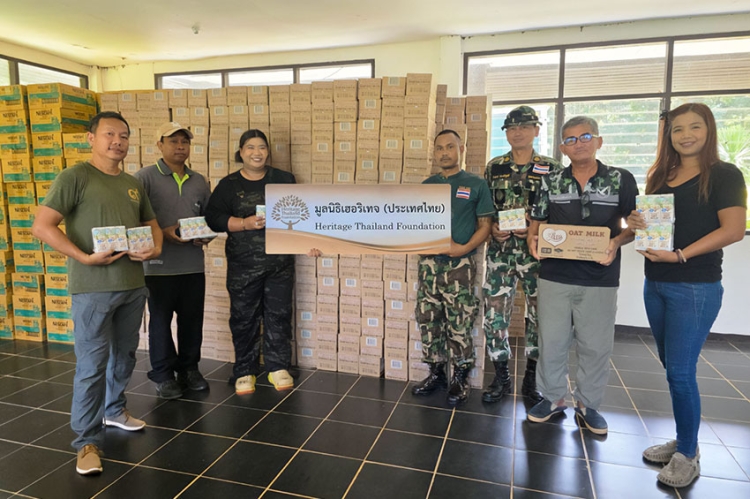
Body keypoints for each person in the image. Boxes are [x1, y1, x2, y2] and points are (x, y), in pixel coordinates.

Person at [32, 111, 163, 476]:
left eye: (123, 136)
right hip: (92, 289)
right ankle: (86, 442)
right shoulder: (75, 177)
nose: (117, 141)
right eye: (109, 134)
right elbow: (42, 226)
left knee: (124, 356)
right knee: (91, 365)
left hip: (132, 285)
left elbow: (151, 224)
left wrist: (153, 248)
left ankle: (114, 410)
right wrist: (84, 257)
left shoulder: (132, 183)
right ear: (91, 138)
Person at [627, 103, 746, 488]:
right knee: (672, 368)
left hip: (695, 286)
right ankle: (684, 439)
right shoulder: (661, 175)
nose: (686, 135)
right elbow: (653, 223)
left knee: (680, 372)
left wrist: (680, 255)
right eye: (677, 129)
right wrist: (636, 222)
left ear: (709, 130)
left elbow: (733, 230)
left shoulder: (725, 175)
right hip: (656, 282)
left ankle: (689, 454)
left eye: (695, 127)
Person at [526, 116, 638, 435]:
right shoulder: (550, 181)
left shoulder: (621, 179)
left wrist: (615, 242)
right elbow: (537, 222)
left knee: (595, 346)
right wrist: (532, 239)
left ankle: (589, 405)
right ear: (562, 148)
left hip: (600, 278)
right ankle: (552, 398)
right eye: (571, 139)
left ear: (598, 141)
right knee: (552, 342)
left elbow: (636, 225)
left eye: (586, 136)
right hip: (554, 276)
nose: (579, 144)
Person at [205, 129, 296, 396]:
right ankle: (245, 370)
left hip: (280, 264)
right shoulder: (229, 184)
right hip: (243, 266)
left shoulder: (284, 179)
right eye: (251, 147)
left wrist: (310, 243)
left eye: (262, 147)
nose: (257, 153)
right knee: (244, 318)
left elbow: (302, 212)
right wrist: (243, 223)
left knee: (279, 315)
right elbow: (213, 218)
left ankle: (278, 366)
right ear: (241, 152)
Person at [482, 106, 562, 404]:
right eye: (512, 128)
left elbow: (561, 210)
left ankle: (531, 377)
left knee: (540, 315)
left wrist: (536, 228)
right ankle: (501, 376)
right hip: (500, 253)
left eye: (524, 127)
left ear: (536, 131)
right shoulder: (494, 167)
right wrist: (492, 228)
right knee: (495, 314)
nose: (517, 132)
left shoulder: (552, 168)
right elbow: (486, 209)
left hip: (536, 253)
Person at [412, 129, 494, 405]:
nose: (444, 152)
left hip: (460, 265)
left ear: (461, 149)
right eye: (439, 148)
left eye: (450, 147)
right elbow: (412, 223)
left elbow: (485, 226)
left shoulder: (476, 184)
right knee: (428, 319)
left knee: (459, 321)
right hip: (428, 266)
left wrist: (463, 248)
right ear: (434, 152)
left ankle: (460, 377)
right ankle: (436, 373)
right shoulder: (427, 185)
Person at [134, 122, 212, 400]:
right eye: (173, 141)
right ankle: (163, 374)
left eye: (185, 142)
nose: (180, 147)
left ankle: (189, 369)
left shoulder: (199, 180)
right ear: (160, 145)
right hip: (157, 267)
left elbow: (209, 218)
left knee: (192, 320)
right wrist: (162, 234)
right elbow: (133, 220)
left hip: (192, 265)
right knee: (160, 323)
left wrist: (206, 236)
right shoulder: (144, 178)